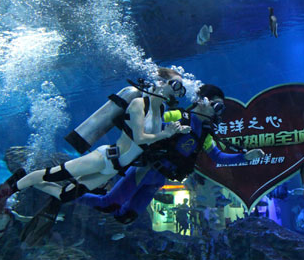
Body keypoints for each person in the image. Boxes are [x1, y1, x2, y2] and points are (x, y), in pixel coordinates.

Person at [76, 84, 265, 223]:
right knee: (109, 204)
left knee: (126, 216)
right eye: (216, 106)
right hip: (145, 170)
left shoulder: (205, 133)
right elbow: (146, 122)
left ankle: (94, 189)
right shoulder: (178, 116)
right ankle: (64, 193)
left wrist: (244, 157)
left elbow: (218, 157)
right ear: (201, 101)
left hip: (159, 180)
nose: (218, 112)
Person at [7, 67, 190, 202]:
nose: (176, 91)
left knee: (66, 195)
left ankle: (26, 178)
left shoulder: (160, 109)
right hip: (104, 158)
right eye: (175, 85)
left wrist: (175, 132)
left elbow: (149, 144)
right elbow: (140, 138)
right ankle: (11, 188)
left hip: (114, 169)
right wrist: (166, 134)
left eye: (180, 89)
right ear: (160, 82)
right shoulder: (139, 104)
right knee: (51, 175)